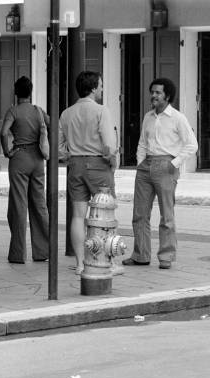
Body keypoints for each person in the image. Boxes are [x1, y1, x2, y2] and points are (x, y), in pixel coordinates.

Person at [122, 78, 197, 270]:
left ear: (167, 96)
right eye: (152, 92)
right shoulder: (148, 116)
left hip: (166, 165)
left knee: (167, 215)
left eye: (158, 93)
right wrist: (140, 162)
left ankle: (166, 256)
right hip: (146, 165)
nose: (153, 96)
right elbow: (142, 142)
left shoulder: (178, 118)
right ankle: (140, 255)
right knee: (139, 214)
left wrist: (174, 164)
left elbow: (192, 145)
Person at [59, 71, 117, 274]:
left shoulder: (67, 113)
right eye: (100, 85)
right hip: (98, 164)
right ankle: (107, 260)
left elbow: (59, 148)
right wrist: (112, 161)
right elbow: (109, 144)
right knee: (105, 214)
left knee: (77, 216)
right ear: (93, 88)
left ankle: (80, 263)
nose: (101, 88)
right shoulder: (102, 111)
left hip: (75, 165)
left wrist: (71, 154)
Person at [0, 76, 49, 264]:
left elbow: (4, 132)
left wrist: (7, 151)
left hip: (19, 158)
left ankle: (18, 254)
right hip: (37, 159)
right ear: (31, 91)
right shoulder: (38, 111)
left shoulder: (13, 111)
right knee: (39, 205)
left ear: (15, 92)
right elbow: (53, 126)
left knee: (19, 206)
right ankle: (43, 251)